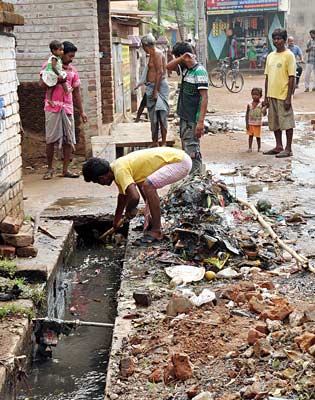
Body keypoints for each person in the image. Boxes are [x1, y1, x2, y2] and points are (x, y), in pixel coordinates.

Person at [82, 147, 192, 244]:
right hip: (180, 159)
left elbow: (134, 197)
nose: (101, 184)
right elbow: (123, 196)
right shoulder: (116, 168)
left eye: (97, 182)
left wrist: (130, 210)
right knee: (143, 184)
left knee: (148, 185)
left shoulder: (120, 170)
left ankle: (156, 231)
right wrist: (116, 220)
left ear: (102, 178)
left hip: (180, 163)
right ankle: (151, 223)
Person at [40, 41, 88, 179]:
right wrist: (56, 80)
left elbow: (77, 92)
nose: (71, 59)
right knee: (51, 139)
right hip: (52, 107)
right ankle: (49, 169)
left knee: (69, 139)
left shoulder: (73, 71)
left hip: (67, 107)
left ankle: (65, 170)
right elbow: (41, 83)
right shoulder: (49, 66)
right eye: (70, 56)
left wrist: (82, 111)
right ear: (61, 53)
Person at [166, 41, 208, 174]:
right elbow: (168, 67)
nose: (176, 61)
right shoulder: (185, 69)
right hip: (184, 116)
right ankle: (192, 176)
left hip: (192, 119)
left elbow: (204, 97)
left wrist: (200, 122)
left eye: (177, 58)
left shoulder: (199, 71)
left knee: (192, 150)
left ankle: (196, 178)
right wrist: (180, 59)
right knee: (187, 148)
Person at [263, 29, 296, 158]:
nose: (276, 41)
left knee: (287, 122)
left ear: (284, 40)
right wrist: (266, 97)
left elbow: (292, 77)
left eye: (279, 38)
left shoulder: (289, 55)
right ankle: (278, 146)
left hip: (283, 95)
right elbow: (267, 77)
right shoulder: (270, 56)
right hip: (272, 95)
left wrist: (289, 97)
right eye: (274, 39)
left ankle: (288, 148)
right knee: (274, 122)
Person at [141, 33, 169, 147]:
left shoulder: (157, 54)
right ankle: (155, 141)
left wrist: (156, 91)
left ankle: (163, 142)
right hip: (152, 87)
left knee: (161, 115)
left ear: (146, 46)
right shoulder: (152, 55)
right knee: (153, 117)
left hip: (159, 87)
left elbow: (160, 72)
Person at [41, 40, 70, 108]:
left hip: (52, 73)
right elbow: (53, 67)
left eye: (62, 50)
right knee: (62, 79)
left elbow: (58, 66)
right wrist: (58, 74)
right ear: (54, 51)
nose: (62, 51)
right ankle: (66, 90)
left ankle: (49, 99)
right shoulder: (54, 58)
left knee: (51, 86)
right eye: (60, 50)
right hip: (52, 73)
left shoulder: (58, 58)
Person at [245, 88, 267, 152]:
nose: (254, 96)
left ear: (260, 96)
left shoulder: (261, 104)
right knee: (250, 136)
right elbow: (247, 114)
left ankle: (259, 148)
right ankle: (250, 148)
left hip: (257, 124)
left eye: (257, 95)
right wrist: (247, 124)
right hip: (250, 123)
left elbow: (264, 113)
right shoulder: (249, 104)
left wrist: (265, 107)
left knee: (258, 136)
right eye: (253, 94)